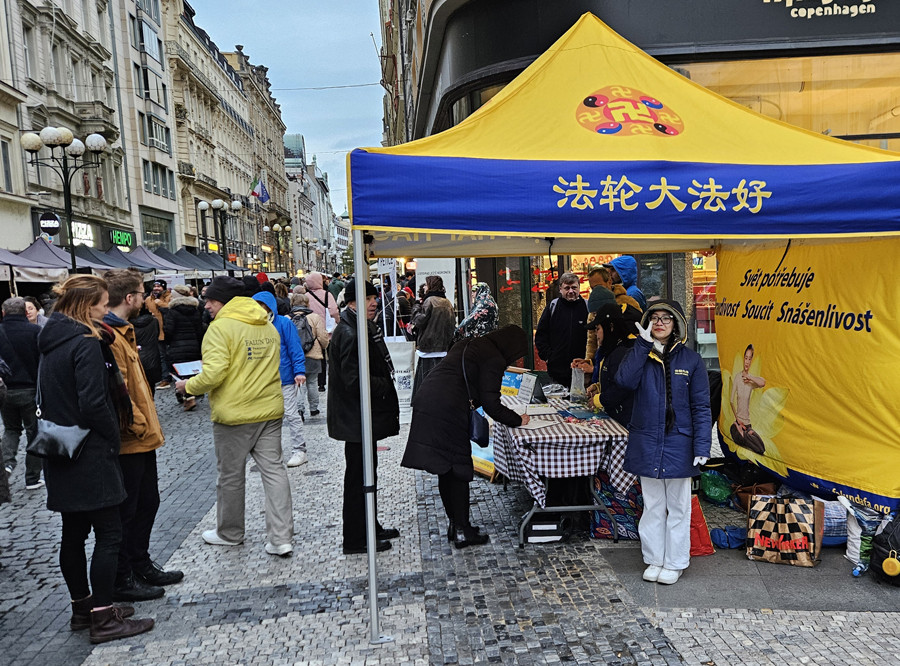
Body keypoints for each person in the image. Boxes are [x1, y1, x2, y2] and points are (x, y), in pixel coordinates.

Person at [38, 274, 154, 643]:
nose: (107, 310)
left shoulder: (51, 339)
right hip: (89, 450)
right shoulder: (85, 342)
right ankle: (103, 617)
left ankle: (82, 608)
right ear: (86, 306)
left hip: (60, 447)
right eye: (103, 304)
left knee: (72, 534)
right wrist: (109, 436)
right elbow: (93, 401)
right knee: (109, 532)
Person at [175, 276, 293, 557]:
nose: (206, 306)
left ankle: (230, 533)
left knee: (230, 476)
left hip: (235, 414)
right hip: (269, 410)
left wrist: (187, 386)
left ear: (223, 301)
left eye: (211, 301)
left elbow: (214, 374)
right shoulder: (266, 324)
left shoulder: (220, 329)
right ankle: (281, 538)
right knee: (274, 472)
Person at [402, 325, 530, 548]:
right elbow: (491, 403)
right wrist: (519, 420)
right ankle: (463, 530)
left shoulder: (470, 344)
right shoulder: (494, 358)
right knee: (459, 468)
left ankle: (456, 525)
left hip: (428, 398)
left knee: (445, 468)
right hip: (448, 408)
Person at [615, 300, 711, 586]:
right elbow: (624, 381)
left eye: (665, 318)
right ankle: (654, 558)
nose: (659, 323)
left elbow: (701, 407)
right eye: (654, 318)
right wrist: (641, 346)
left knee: (679, 506)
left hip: (679, 442)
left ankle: (676, 561)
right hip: (647, 440)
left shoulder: (691, 361)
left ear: (676, 324)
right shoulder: (640, 354)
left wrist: (702, 446)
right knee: (653, 504)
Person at [102, 269, 183, 603]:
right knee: (129, 509)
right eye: (142, 292)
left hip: (142, 438)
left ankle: (140, 562)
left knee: (148, 501)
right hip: (130, 440)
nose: (146, 298)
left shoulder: (123, 330)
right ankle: (124, 576)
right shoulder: (109, 334)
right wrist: (137, 424)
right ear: (130, 298)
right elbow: (118, 389)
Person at [327, 278, 400, 555]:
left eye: (374, 297)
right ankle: (356, 538)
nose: (374, 302)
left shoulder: (360, 327)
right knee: (358, 478)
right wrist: (385, 385)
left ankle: (370, 525)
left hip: (359, 418)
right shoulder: (351, 332)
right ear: (353, 301)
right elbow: (354, 380)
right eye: (368, 298)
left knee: (367, 473)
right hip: (355, 419)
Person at [252, 291, 308, 468]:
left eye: (261, 306)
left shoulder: (284, 323)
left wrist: (299, 371)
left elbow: (294, 348)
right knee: (266, 418)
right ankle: (270, 452)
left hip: (284, 377)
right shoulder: (251, 326)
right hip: (262, 380)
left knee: (291, 415)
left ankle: (300, 449)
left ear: (268, 307)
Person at [0, 298, 44, 490]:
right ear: (24, 312)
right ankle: (32, 478)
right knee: (34, 433)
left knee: (11, 430)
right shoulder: (35, 331)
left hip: (5, 390)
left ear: (3, 313)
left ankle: (7, 465)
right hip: (30, 389)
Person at [582, 302, 642, 428]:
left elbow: (622, 388)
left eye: (598, 329)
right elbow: (612, 378)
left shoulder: (625, 350)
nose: (596, 334)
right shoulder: (614, 348)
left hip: (627, 423)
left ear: (611, 327)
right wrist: (598, 387)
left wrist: (599, 399)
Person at [534, 272, 589, 386]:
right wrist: (549, 357)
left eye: (574, 287)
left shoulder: (586, 307)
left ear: (579, 287)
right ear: (560, 289)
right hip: (557, 370)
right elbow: (541, 334)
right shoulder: (553, 307)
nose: (570, 291)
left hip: (582, 369)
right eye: (567, 288)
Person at [409, 275, 456, 397]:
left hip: (428, 347)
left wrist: (416, 307)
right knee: (440, 381)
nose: (424, 287)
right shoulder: (447, 302)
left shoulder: (429, 301)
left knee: (425, 383)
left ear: (430, 285)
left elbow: (419, 321)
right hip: (444, 348)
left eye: (426, 284)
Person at [164, 284, 205, 412]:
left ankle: (188, 397)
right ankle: (188, 392)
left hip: (177, 346)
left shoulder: (173, 312)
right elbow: (200, 330)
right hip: (193, 346)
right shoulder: (195, 310)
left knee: (180, 372)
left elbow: (168, 331)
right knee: (190, 371)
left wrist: (168, 342)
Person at [289, 293, 328, 419]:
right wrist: (323, 347)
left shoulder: (287, 318)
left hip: (294, 356)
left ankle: (300, 409)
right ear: (307, 303)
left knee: (298, 383)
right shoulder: (315, 317)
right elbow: (322, 337)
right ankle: (314, 408)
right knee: (312, 382)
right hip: (313, 354)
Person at [305, 272, 339, 393]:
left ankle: (320, 382)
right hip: (327, 329)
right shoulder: (327, 295)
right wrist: (337, 321)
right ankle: (331, 378)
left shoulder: (306, 296)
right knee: (330, 355)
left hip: (311, 330)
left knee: (319, 356)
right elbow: (334, 311)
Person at [729, 344, 767, 454]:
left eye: (750, 359)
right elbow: (731, 400)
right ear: (743, 359)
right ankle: (741, 433)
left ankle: (746, 436)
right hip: (738, 423)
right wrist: (738, 421)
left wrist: (749, 377)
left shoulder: (750, 382)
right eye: (746, 358)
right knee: (739, 434)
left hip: (747, 425)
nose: (747, 361)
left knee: (761, 448)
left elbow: (762, 383)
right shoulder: (737, 377)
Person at [129, 304, 162, 395]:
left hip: (137, 357)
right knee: (151, 388)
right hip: (153, 357)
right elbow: (157, 335)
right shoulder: (154, 321)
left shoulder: (128, 325)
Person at [145, 280, 172, 389]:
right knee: (161, 356)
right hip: (154, 332)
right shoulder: (148, 299)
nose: (156, 288)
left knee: (169, 355)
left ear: (164, 287)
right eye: (155, 286)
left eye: (159, 286)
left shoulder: (169, 297)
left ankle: (172, 375)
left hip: (168, 330)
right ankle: (164, 377)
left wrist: (160, 303)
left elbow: (171, 308)